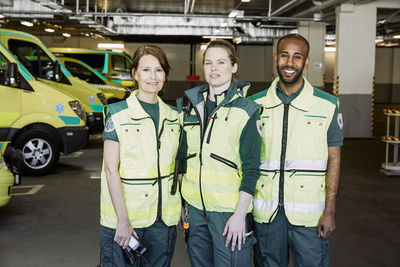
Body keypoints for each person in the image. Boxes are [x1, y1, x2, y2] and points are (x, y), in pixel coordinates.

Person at [250, 33, 343, 267]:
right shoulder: (254, 105)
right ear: (276, 58)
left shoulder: (327, 106)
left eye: (297, 57)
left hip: (310, 218)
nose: (290, 63)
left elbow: (334, 160)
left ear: (306, 62)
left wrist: (329, 210)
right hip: (267, 215)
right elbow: (247, 160)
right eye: (284, 55)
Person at [176, 39, 261, 267]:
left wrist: (240, 215)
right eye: (208, 63)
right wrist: (185, 207)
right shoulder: (189, 108)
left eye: (221, 62)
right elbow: (182, 161)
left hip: (228, 214)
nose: (214, 69)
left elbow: (252, 169)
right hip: (195, 212)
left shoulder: (246, 111)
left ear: (234, 67)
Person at [99, 45, 181, 267]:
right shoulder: (117, 114)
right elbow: (110, 170)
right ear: (134, 73)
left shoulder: (174, 117)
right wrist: (123, 221)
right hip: (125, 221)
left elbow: (177, 167)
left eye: (159, 70)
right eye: (146, 70)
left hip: (162, 222)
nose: (153, 77)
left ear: (165, 75)